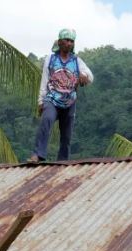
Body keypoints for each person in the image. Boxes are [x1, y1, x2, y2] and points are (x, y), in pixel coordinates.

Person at [29, 29, 93, 162]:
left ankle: (62, 160)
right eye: (67, 40)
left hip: (69, 102)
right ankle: (38, 154)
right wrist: (41, 101)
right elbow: (44, 80)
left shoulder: (77, 61)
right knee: (47, 120)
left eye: (72, 41)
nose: (69, 43)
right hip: (52, 99)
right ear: (59, 42)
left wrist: (84, 76)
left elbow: (90, 76)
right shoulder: (50, 59)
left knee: (66, 134)